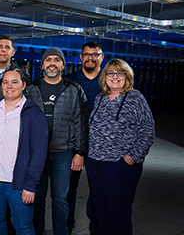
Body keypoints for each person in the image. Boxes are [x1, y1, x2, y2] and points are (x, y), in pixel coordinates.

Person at [0, 67, 48, 234]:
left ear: (23, 86)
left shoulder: (33, 114)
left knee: (23, 227)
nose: (9, 86)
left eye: (14, 82)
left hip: (19, 184)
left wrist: (30, 185)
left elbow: (39, 154)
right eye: (5, 82)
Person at [87, 58, 154, 235]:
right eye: (111, 73)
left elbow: (148, 129)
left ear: (127, 77)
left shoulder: (134, 98)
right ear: (105, 77)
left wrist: (132, 157)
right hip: (95, 164)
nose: (115, 77)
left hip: (120, 165)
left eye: (120, 73)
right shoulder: (100, 98)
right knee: (100, 211)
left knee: (117, 213)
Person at [26, 47, 89, 235]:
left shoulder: (74, 89)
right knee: (37, 197)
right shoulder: (31, 88)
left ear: (63, 64)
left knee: (61, 198)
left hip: (64, 152)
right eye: (48, 60)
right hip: (37, 153)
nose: (52, 63)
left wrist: (80, 152)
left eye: (57, 60)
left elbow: (81, 123)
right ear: (42, 64)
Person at [65, 41, 104, 235]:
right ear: (80, 57)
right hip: (74, 144)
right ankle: (67, 226)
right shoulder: (70, 80)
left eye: (94, 54)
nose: (90, 58)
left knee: (97, 189)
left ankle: (96, 229)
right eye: (86, 54)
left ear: (101, 57)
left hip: (100, 146)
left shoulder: (108, 81)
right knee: (68, 189)